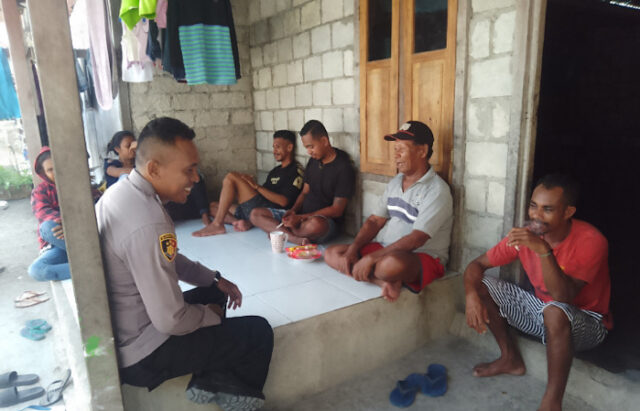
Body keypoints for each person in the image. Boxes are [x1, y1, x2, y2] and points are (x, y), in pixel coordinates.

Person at [95, 117, 273, 410]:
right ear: (154, 168)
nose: (196, 179)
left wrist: (215, 279)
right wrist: (209, 316)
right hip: (143, 353)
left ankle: (211, 380)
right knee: (258, 332)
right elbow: (171, 320)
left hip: (128, 330)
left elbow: (168, 257)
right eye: (188, 170)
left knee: (214, 291)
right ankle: (231, 393)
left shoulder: (123, 193)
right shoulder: (148, 222)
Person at [463, 174, 611, 411]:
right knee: (482, 284)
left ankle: (551, 403)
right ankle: (510, 358)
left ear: (568, 212)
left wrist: (543, 250)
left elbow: (563, 297)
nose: (536, 216)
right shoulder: (525, 235)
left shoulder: (591, 240)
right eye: (533, 206)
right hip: (542, 310)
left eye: (547, 209)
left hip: (588, 323)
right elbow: (476, 265)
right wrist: (471, 294)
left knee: (555, 310)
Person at [325, 121, 453, 302]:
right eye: (395, 149)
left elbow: (417, 238)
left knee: (389, 265)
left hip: (421, 256)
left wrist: (371, 258)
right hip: (387, 248)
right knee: (332, 253)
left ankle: (378, 273)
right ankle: (381, 281)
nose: (396, 155)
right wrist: (354, 249)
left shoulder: (437, 190)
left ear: (422, 151)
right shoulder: (396, 182)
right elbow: (374, 221)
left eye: (401, 149)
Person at [250, 120, 355, 245]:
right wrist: (293, 211)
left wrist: (302, 217)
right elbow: (305, 192)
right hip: (301, 216)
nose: (309, 152)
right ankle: (294, 236)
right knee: (255, 214)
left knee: (315, 225)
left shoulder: (343, 167)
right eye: (306, 148)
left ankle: (283, 232)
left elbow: (337, 210)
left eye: (311, 147)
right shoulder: (313, 161)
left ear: (324, 141)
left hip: (323, 221)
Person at [192, 130, 304, 237]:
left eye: (278, 147)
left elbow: (283, 202)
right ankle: (239, 222)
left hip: (268, 210)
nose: (274, 151)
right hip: (256, 206)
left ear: (289, 147)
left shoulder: (295, 170)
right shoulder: (275, 171)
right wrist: (248, 185)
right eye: (273, 147)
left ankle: (217, 224)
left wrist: (256, 186)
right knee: (213, 206)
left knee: (231, 177)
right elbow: (262, 193)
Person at [28, 147, 70, 281]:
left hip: (82, 237)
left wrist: (71, 225)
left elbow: (98, 207)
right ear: (44, 173)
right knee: (36, 270)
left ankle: (86, 258)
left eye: (57, 166)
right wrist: (64, 223)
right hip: (59, 241)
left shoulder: (79, 184)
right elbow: (42, 213)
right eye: (50, 170)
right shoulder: (40, 191)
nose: (55, 172)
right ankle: (88, 265)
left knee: (47, 227)